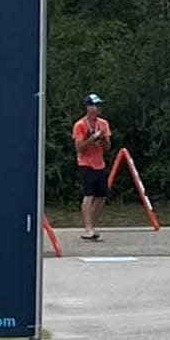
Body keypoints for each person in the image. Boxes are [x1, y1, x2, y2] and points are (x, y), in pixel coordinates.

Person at [72, 93, 111, 240]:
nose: (98, 108)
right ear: (88, 107)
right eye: (95, 105)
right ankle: (88, 228)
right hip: (85, 164)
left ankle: (92, 226)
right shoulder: (80, 125)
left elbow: (108, 146)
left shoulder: (103, 124)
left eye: (99, 105)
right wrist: (91, 139)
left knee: (101, 196)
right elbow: (79, 147)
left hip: (99, 164)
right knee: (88, 195)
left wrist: (101, 140)